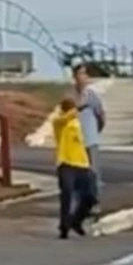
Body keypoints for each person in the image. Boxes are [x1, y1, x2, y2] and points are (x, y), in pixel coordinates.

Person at [52, 97, 96, 239]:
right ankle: (64, 227)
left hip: (82, 164)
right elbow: (66, 117)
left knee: (90, 197)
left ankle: (76, 221)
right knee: (67, 194)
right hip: (66, 164)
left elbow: (84, 145)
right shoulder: (59, 124)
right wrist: (78, 108)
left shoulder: (78, 125)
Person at [69, 64, 105, 205]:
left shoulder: (91, 95)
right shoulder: (70, 96)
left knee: (93, 172)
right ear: (74, 76)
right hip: (74, 140)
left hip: (90, 139)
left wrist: (96, 131)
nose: (82, 77)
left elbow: (101, 115)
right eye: (79, 74)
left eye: (85, 74)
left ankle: (94, 202)